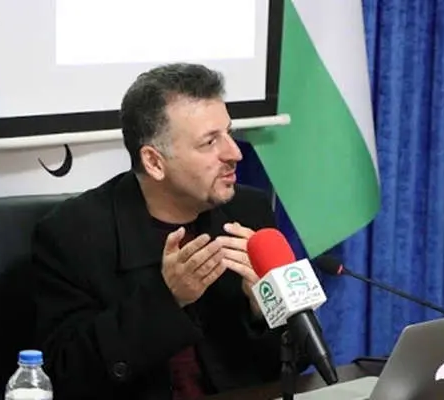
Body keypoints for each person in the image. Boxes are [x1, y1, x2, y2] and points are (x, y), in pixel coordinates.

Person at [31, 63, 293, 400]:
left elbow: (296, 361)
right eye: (210, 142)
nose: (235, 153)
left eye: (229, 132)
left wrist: (266, 309)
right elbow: (63, 375)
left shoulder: (249, 211)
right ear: (155, 162)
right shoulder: (73, 234)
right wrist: (167, 298)